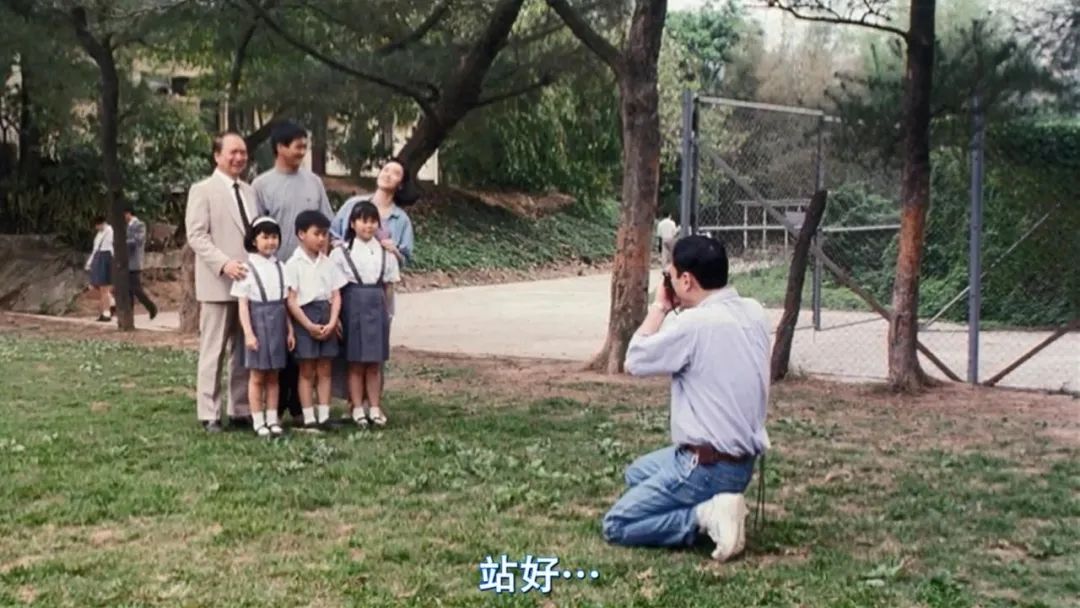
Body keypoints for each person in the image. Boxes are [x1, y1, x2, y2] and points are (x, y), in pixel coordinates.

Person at [601, 235, 771, 562]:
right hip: (741, 462)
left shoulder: (694, 324)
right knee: (637, 474)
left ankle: (704, 515)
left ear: (686, 280)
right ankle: (723, 504)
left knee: (617, 524)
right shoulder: (754, 312)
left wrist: (661, 306)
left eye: (671, 275)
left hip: (706, 466)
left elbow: (635, 359)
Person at [253, 121, 334, 424]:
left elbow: (329, 224)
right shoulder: (261, 185)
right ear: (280, 147)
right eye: (297, 145)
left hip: (310, 279)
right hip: (276, 277)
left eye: (305, 145)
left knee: (308, 349)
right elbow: (257, 231)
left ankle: (302, 408)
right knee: (281, 342)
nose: (303, 151)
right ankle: (276, 407)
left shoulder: (314, 182)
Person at [185, 131, 257, 433]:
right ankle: (209, 413)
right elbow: (197, 235)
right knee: (213, 349)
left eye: (242, 152)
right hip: (217, 285)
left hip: (248, 286)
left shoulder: (250, 192)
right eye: (232, 152)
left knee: (243, 351)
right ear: (217, 156)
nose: (239, 157)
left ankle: (240, 409)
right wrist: (223, 264)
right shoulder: (203, 190)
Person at [330, 201, 400, 428]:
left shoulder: (385, 253)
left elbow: (389, 286)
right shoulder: (341, 252)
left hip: (376, 305)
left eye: (372, 222)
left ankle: (375, 407)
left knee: (374, 362)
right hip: (352, 304)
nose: (368, 226)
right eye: (363, 221)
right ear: (352, 223)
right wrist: (337, 317)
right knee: (355, 361)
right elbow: (335, 289)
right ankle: (357, 407)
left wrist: (388, 313)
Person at [232, 217, 295, 437]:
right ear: (254, 240)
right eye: (265, 237)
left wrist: (289, 329)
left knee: (273, 375)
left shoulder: (281, 267)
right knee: (258, 375)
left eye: (274, 237)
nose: (270, 242)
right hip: (258, 322)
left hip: (277, 320)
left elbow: (286, 303)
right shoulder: (246, 268)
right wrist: (248, 333)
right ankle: (258, 419)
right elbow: (242, 305)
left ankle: (272, 418)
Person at [285, 210, 341, 430]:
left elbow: (336, 295)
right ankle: (308, 417)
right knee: (307, 369)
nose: (321, 239)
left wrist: (333, 320)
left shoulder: (328, 263)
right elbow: (291, 300)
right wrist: (307, 325)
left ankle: (324, 415)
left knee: (325, 368)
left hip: (326, 314)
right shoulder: (294, 263)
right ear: (301, 234)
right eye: (317, 234)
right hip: (304, 316)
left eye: (325, 234)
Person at [123, 205, 158, 319]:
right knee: (128, 290)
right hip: (126, 261)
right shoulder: (126, 226)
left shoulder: (139, 225)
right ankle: (129, 314)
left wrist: (123, 242)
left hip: (134, 261)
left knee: (136, 289)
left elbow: (138, 240)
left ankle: (151, 307)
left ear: (128, 213)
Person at [85, 215, 115, 322]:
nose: (96, 228)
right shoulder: (99, 234)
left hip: (106, 258)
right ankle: (110, 303)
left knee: (104, 288)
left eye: (97, 225)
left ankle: (106, 313)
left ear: (101, 223)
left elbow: (113, 246)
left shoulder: (110, 231)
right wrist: (90, 262)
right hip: (99, 257)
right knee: (95, 284)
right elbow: (95, 249)